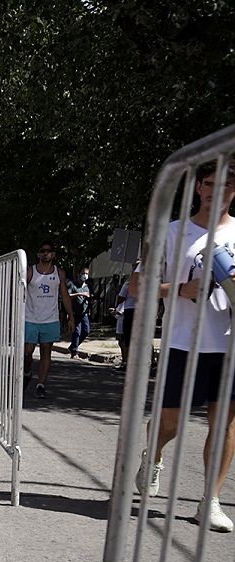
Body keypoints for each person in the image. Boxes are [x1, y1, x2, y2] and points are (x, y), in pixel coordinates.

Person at [132, 159, 235, 532]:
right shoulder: (173, 232)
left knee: (223, 423)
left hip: (228, 347)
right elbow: (137, 288)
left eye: (225, 185)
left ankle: (210, 501)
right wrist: (181, 290)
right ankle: (154, 454)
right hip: (182, 343)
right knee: (170, 423)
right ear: (198, 188)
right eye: (210, 184)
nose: (216, 191)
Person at [23, 241, 75, 398]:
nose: (46, 253)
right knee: (27, 352)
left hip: (50, 319)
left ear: (53, 254)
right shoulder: (30, 271)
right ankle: (27, 370)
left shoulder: (59, 273)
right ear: (38, 254)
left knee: (46, 351)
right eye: (42, 251)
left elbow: (64, 295)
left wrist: (71, 315)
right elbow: (19, 292)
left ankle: (41, 385)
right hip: (31, 318)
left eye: (49, 251)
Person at [68, 265, 92, 358]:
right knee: (77, 331)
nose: (85, 275)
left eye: (87, 274)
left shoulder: (88, 286)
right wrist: (80, 293)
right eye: (83, 273)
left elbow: (91, 295)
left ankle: (73, 346)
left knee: (86, 331)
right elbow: (68, 295)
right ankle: (74, 352)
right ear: (78, 274)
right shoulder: (73, 284)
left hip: (84, 312)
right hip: (75, 312)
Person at [113, 275, 133, 370]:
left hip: (129, 312)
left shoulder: (128, 284)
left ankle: (127, 362)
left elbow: (120, 299)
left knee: (126, 340)